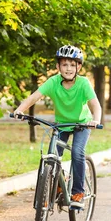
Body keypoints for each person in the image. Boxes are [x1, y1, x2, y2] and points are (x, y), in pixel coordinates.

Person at [14, 45, 102, 208]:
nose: (68, 68)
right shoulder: (53, 82)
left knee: (77, 152)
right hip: (62, 125)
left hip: (82, 124)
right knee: (51, 156)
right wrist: (20, 110)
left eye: (72, 64)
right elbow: (33, 98)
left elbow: (96, 105)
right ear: (58, 67)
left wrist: (95, 120)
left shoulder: (83, 83)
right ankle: (57, 186)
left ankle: (78, 192)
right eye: (64, 64)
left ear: (79, 67)